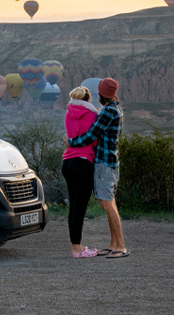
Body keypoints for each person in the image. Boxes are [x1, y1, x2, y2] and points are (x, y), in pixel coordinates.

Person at [67, 78, 128, 259]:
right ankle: (113, 244)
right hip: (109, 162)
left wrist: (70, 142)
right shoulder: (115, 109)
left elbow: (91, 135)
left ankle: (121, 246)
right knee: (110, 203)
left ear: (102, 94)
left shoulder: (108, 111)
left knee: (107, 204)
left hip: (105, 163)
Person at [62, 86, 100, 258]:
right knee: (80, 208)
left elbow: (70, 136)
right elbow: (93, 141)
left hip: (68, 162)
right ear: (88, 99)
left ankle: (75, 245)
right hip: (83, 162)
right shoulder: (92, 115)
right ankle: (77, 248)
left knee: (73, 207)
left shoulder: (68, 113)